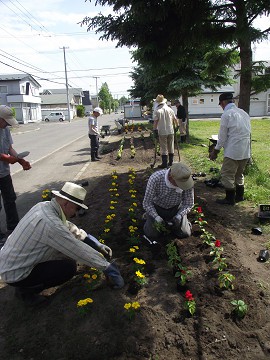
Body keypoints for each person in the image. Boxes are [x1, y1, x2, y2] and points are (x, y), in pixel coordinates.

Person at [0, 181, 124, 306]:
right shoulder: (51, 225)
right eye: (77, 208)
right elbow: (77, 249)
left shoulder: (44, 206)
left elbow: (66, 226)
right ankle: (26, 291)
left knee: (59, 255)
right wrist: (107, 267)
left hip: (8, 261)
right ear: (66, 203)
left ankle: (25, 283)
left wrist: (90, 241)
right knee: (68, 268)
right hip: (14, 272)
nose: (76, 214)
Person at [209, 92, 251, 205]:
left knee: (227, 174)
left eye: (220, 105)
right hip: (245, 150)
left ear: (222, 103)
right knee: (239, 174)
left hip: (233, 150)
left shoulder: (227, 115)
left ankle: (229, 199)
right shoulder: (243, 113)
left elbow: (222, 137)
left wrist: (215, 151)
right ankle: (240, 196)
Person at [0, 105, 31, 243]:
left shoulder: (5, 129)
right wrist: (7, 159)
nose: (7, 124)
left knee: (10, 199)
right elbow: (4, 155)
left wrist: (20, 160)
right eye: (5, 121)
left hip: (4, 172)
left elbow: (9, 148)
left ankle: (14, 228)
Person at [143, 162, 194, 239]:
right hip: (157, 208)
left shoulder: (185, 180)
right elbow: (147, 203)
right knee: (152, 234)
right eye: (179, 183)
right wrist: (156, 217)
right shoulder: (156, 178)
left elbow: (188, 203)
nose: (182, 186)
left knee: (184, 233)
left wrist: (179, 216)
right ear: (171, 177)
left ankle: (184, 222)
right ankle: (148, 217)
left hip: (176, 208)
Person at [153, 94, 178, 168]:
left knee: (164, 148)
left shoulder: (158, 111)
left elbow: (155, 122)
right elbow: (175, 119)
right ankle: (170, 162)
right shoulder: (170, 109)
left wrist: (154, 130)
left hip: (162, 131)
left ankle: (164, 164)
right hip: (170, 131)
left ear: (157, 102)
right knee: (171, 146)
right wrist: (177, 126)